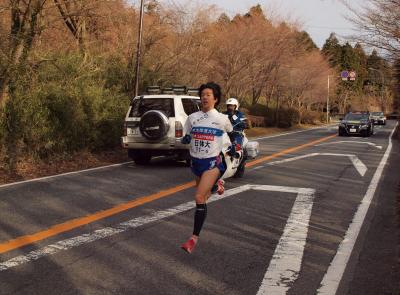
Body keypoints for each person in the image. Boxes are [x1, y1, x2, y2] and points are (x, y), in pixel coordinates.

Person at [180, 82, 233, 254]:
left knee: (199, 197)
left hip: (213, 162)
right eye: (203, 94)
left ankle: (193, 238)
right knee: (206, 195)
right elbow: (187, 135)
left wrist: (234, 146)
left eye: (209, 94)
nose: (204, 97)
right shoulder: (192, 117)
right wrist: (185, 139)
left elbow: (233, 134)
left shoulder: (222, 119)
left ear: (216, 99)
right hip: (196, 162)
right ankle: (217, 186)